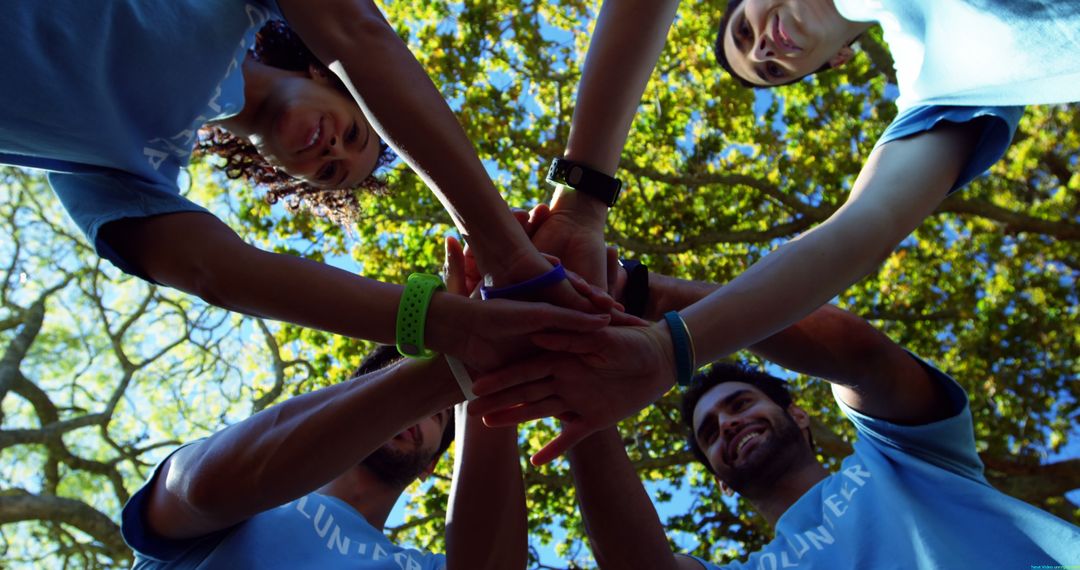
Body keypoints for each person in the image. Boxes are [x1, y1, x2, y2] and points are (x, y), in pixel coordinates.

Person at [467, 0, 1080, 463]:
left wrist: (580, 201)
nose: (761, 48)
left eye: (744, 28)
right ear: (834, 61)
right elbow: (857, 233)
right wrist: (667, 348)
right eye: (765, 68)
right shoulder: (944, 89)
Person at [0, 1, 611, 376]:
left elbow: (218, 272)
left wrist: (453, 326)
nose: (333, 149)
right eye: (353, 129)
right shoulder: (253, 9)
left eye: (330, 170)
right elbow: (357, 33)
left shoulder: (129, 177)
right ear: (327, 76)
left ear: (286, 176)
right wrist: (510, 256)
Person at [559, 266, 1080, 568]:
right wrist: (574, 385)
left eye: (740, 404)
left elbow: (861, 356)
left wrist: (646, 295)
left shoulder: (905, 457)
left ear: (800, 415)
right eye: (711, 433)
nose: (729, 424)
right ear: (719, 482)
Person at [121, 242, 528, 568]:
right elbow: (198, 488)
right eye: (404, 394)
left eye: (437, 413)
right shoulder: (243, 504)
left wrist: (486, 378)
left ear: (430, 468)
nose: (417, 411)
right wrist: (456, 361)